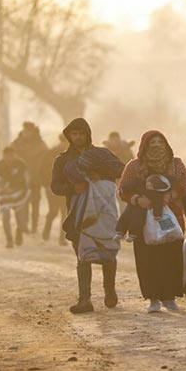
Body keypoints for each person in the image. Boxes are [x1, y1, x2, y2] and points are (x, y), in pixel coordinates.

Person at [119, 130, 186, 313]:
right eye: (152, 142)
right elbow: (123, 191)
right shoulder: (133, 166)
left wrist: (171, 195)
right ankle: (153, 299)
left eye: (160, 142)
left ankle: (170, 297)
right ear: (144, 146)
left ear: (166, 144)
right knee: (147, 260)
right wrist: (138, 200)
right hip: (142, 222)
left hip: (171, 219)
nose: (156, 145)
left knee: (171, 259)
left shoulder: (176, 164)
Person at [51, 118, 124, 314]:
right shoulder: (63, 160)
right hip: (78, 213)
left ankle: (110, 290)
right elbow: (55, 186)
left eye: (81, 133)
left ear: (88, 134)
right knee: (82, 256)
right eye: (74, 134)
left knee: (107, 249)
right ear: (69, 136)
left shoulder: (101, 155)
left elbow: (120, 169)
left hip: (104, 210)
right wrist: (73, 187)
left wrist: (97, 172)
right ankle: (85, 300)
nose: (78, 137)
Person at [11, 122, 49, 233]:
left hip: (36, 177)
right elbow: (9, 159)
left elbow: (47, 160)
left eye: (29, 130)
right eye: (25, 130)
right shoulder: (16, 144)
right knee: (23, 202)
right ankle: (24, 225)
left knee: (35, 202)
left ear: (33, 131)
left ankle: (34, 225)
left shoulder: (41, 144)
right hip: (22, 178)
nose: (26, 133)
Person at [0, 147, 30, 248]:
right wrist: (0, 189)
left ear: (14, 155)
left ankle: (19, 234)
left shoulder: (21, 165)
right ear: (3, 156)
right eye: (6, 156)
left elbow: (26, 180)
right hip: (4, 196)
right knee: (5, 217)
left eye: (11, 155)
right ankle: (9, 240)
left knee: (21, 219)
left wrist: (26, 191)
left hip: (19, 194)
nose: (9, 158)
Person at [115, 174, 172, 242]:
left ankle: (132, 234)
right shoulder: (143, 189)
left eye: (151, 185)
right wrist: (135, 199)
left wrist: (157, 214)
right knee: (125, 216)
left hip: (143, 211)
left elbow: (158, 204)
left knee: (136, 220)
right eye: (148, 184)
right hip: (135, 206)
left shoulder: (155, 194)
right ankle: (120, 231)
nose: (148, 185)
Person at [39, 134, 69, 244]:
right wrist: (46, 184)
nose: (66, 144)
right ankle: (47, 229)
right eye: (64, 141)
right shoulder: (51, 153)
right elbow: (42, 169)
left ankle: (62, 238)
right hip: (52, 187)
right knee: (53, 211)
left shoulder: (73, 154)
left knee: (65, 213)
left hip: (67, 188)